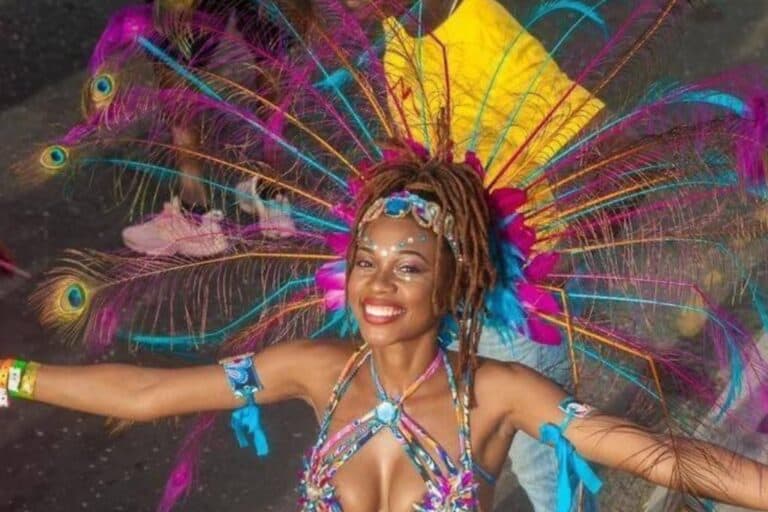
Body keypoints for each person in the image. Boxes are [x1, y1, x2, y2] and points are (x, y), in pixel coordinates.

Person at [4, 146, 768, 511]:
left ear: (455, 282)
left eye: (408, 267)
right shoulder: (317, 368)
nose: (377, 283)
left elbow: (654, 455)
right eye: (367, 260)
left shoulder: (497, 393)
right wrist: (12, 375)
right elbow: (146, 393)